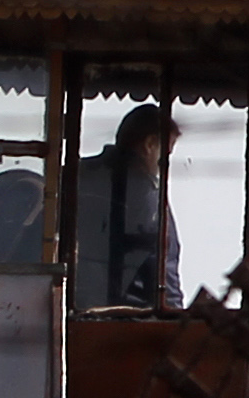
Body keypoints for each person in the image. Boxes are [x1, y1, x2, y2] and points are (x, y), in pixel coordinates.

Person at [72, 103, 184, 312]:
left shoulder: (75, 176)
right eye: (166, 155)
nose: (163, 167)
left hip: (70, 313)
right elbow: (163, 269)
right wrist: (177, 319)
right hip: (126, 323)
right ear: (150, 144)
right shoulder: (147, 196)